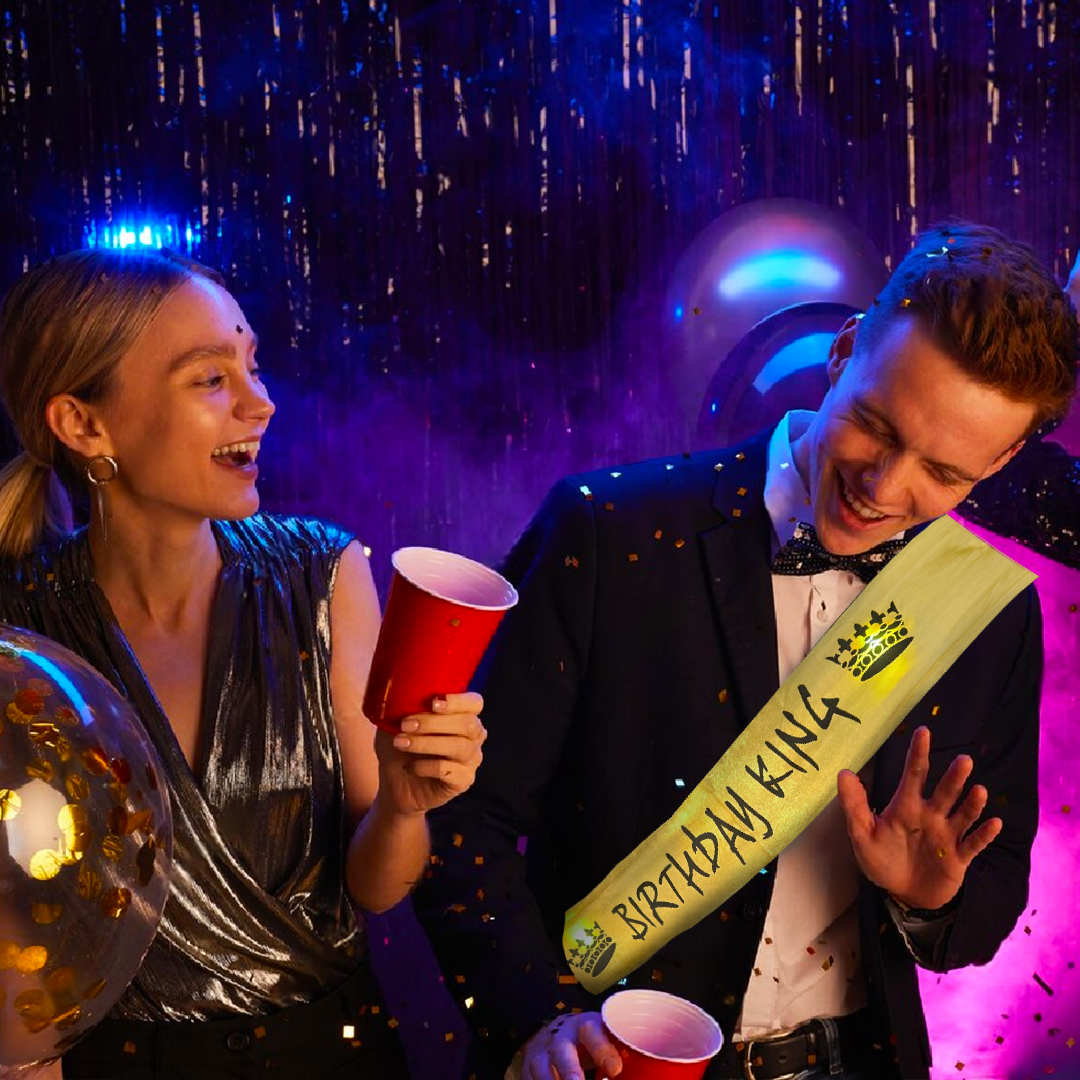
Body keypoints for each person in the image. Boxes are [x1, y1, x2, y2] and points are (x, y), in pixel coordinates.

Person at [413, 221, 1078, 1080]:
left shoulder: (992, 615)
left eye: (944, 474)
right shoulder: (609, 532)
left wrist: (930, 900)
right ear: (844, 350)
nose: (884, 487)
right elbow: (455, 812)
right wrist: (535, 1020)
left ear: (1006, 457)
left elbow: (987, 899)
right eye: (875, 425)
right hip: (618, 1062)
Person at [0, 248, 487, 1079]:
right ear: (84, 425)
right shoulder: (20, 628)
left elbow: (375, 890)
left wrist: (405, 807)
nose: (261, 403)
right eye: (209, 378)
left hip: (330, 1060)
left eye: (252, 367)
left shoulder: (322, 575)